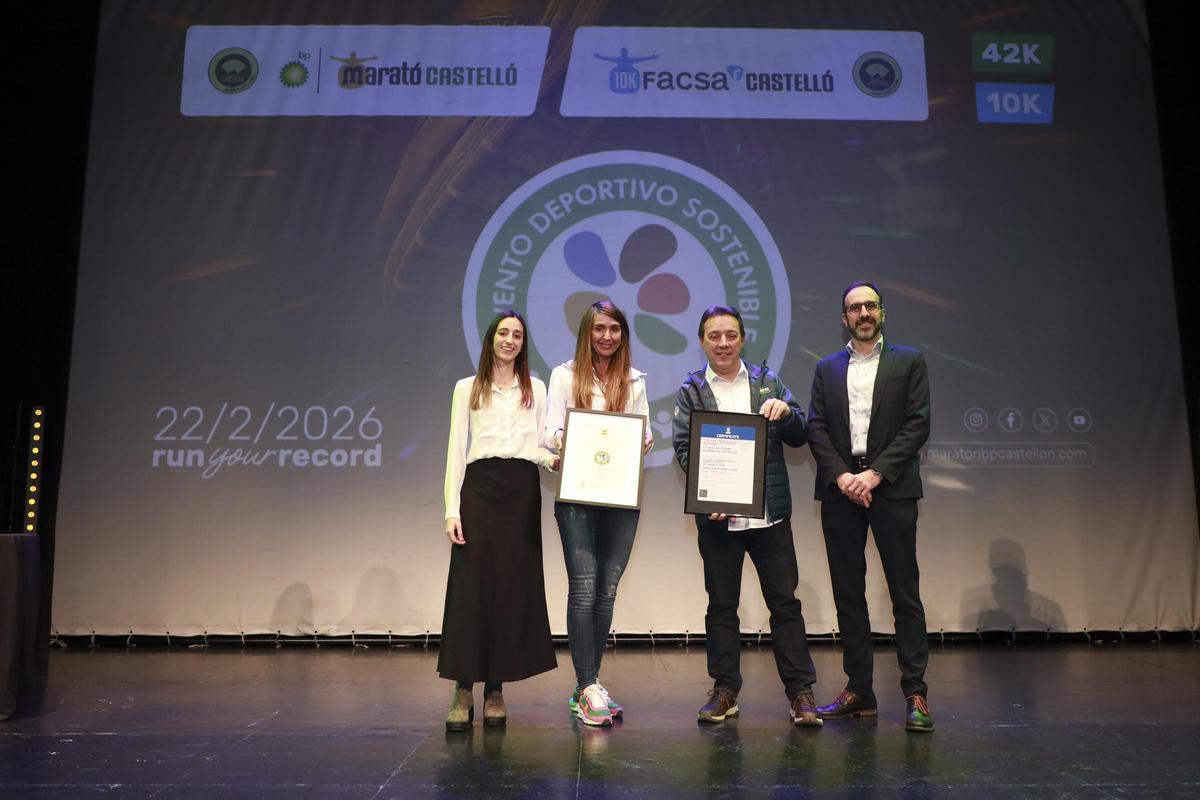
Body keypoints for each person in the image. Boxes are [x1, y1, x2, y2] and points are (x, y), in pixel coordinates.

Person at [671, 305, 822, 727]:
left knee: (785, 605)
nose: (723, 343)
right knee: (722, 607)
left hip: (769, 518)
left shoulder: (768, 382)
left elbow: (799, 437)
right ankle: (725, 691)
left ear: (742, 339)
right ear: (702, 341)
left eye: (731, 335)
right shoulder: (691, 390)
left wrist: (787, 413)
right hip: (719, 520)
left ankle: (801, 692)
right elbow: (684, 450)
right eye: (714, 336)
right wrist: (708, 495)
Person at [807, 281, 934, 732]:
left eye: (870, 306)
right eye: (854, 307)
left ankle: (915, 693)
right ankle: (859, 690)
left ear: (881, 312)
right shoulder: (826, 368)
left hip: (891, 487)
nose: (863, 313)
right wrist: (844, 476)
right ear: (844, 318)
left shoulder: (909, 361)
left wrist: (875, 474)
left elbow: (918, 425)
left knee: (904, 591)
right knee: (848, 593)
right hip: (842, 490)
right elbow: (816, 427)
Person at [439, 310, 558, 731]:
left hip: (521, 490)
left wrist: (559, 459)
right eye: (503, 333)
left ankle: (494, 689)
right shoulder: (466, 388)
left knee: (510, 591)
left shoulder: (536, 388)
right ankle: (461, 687)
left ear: (524, 344)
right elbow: (456, 448)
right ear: (491, 339)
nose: (510, 340)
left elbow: (540, 446)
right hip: (481, 488)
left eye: (517, 335)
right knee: (471, 588)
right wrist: (452, 508)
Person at [545, 300, 652, 727]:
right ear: (587, 332)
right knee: (585, 588)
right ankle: (587, 684)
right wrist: (577, 436)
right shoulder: (563, 375)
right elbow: (552, 432)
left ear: (623, 334)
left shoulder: (635, 379)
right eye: (599, 329)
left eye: (615, 329)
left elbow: (643, 428)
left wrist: (641, 438)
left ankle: (586, 687)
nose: (607, 336)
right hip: (577, 496)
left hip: (621, 496)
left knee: (607, 590)